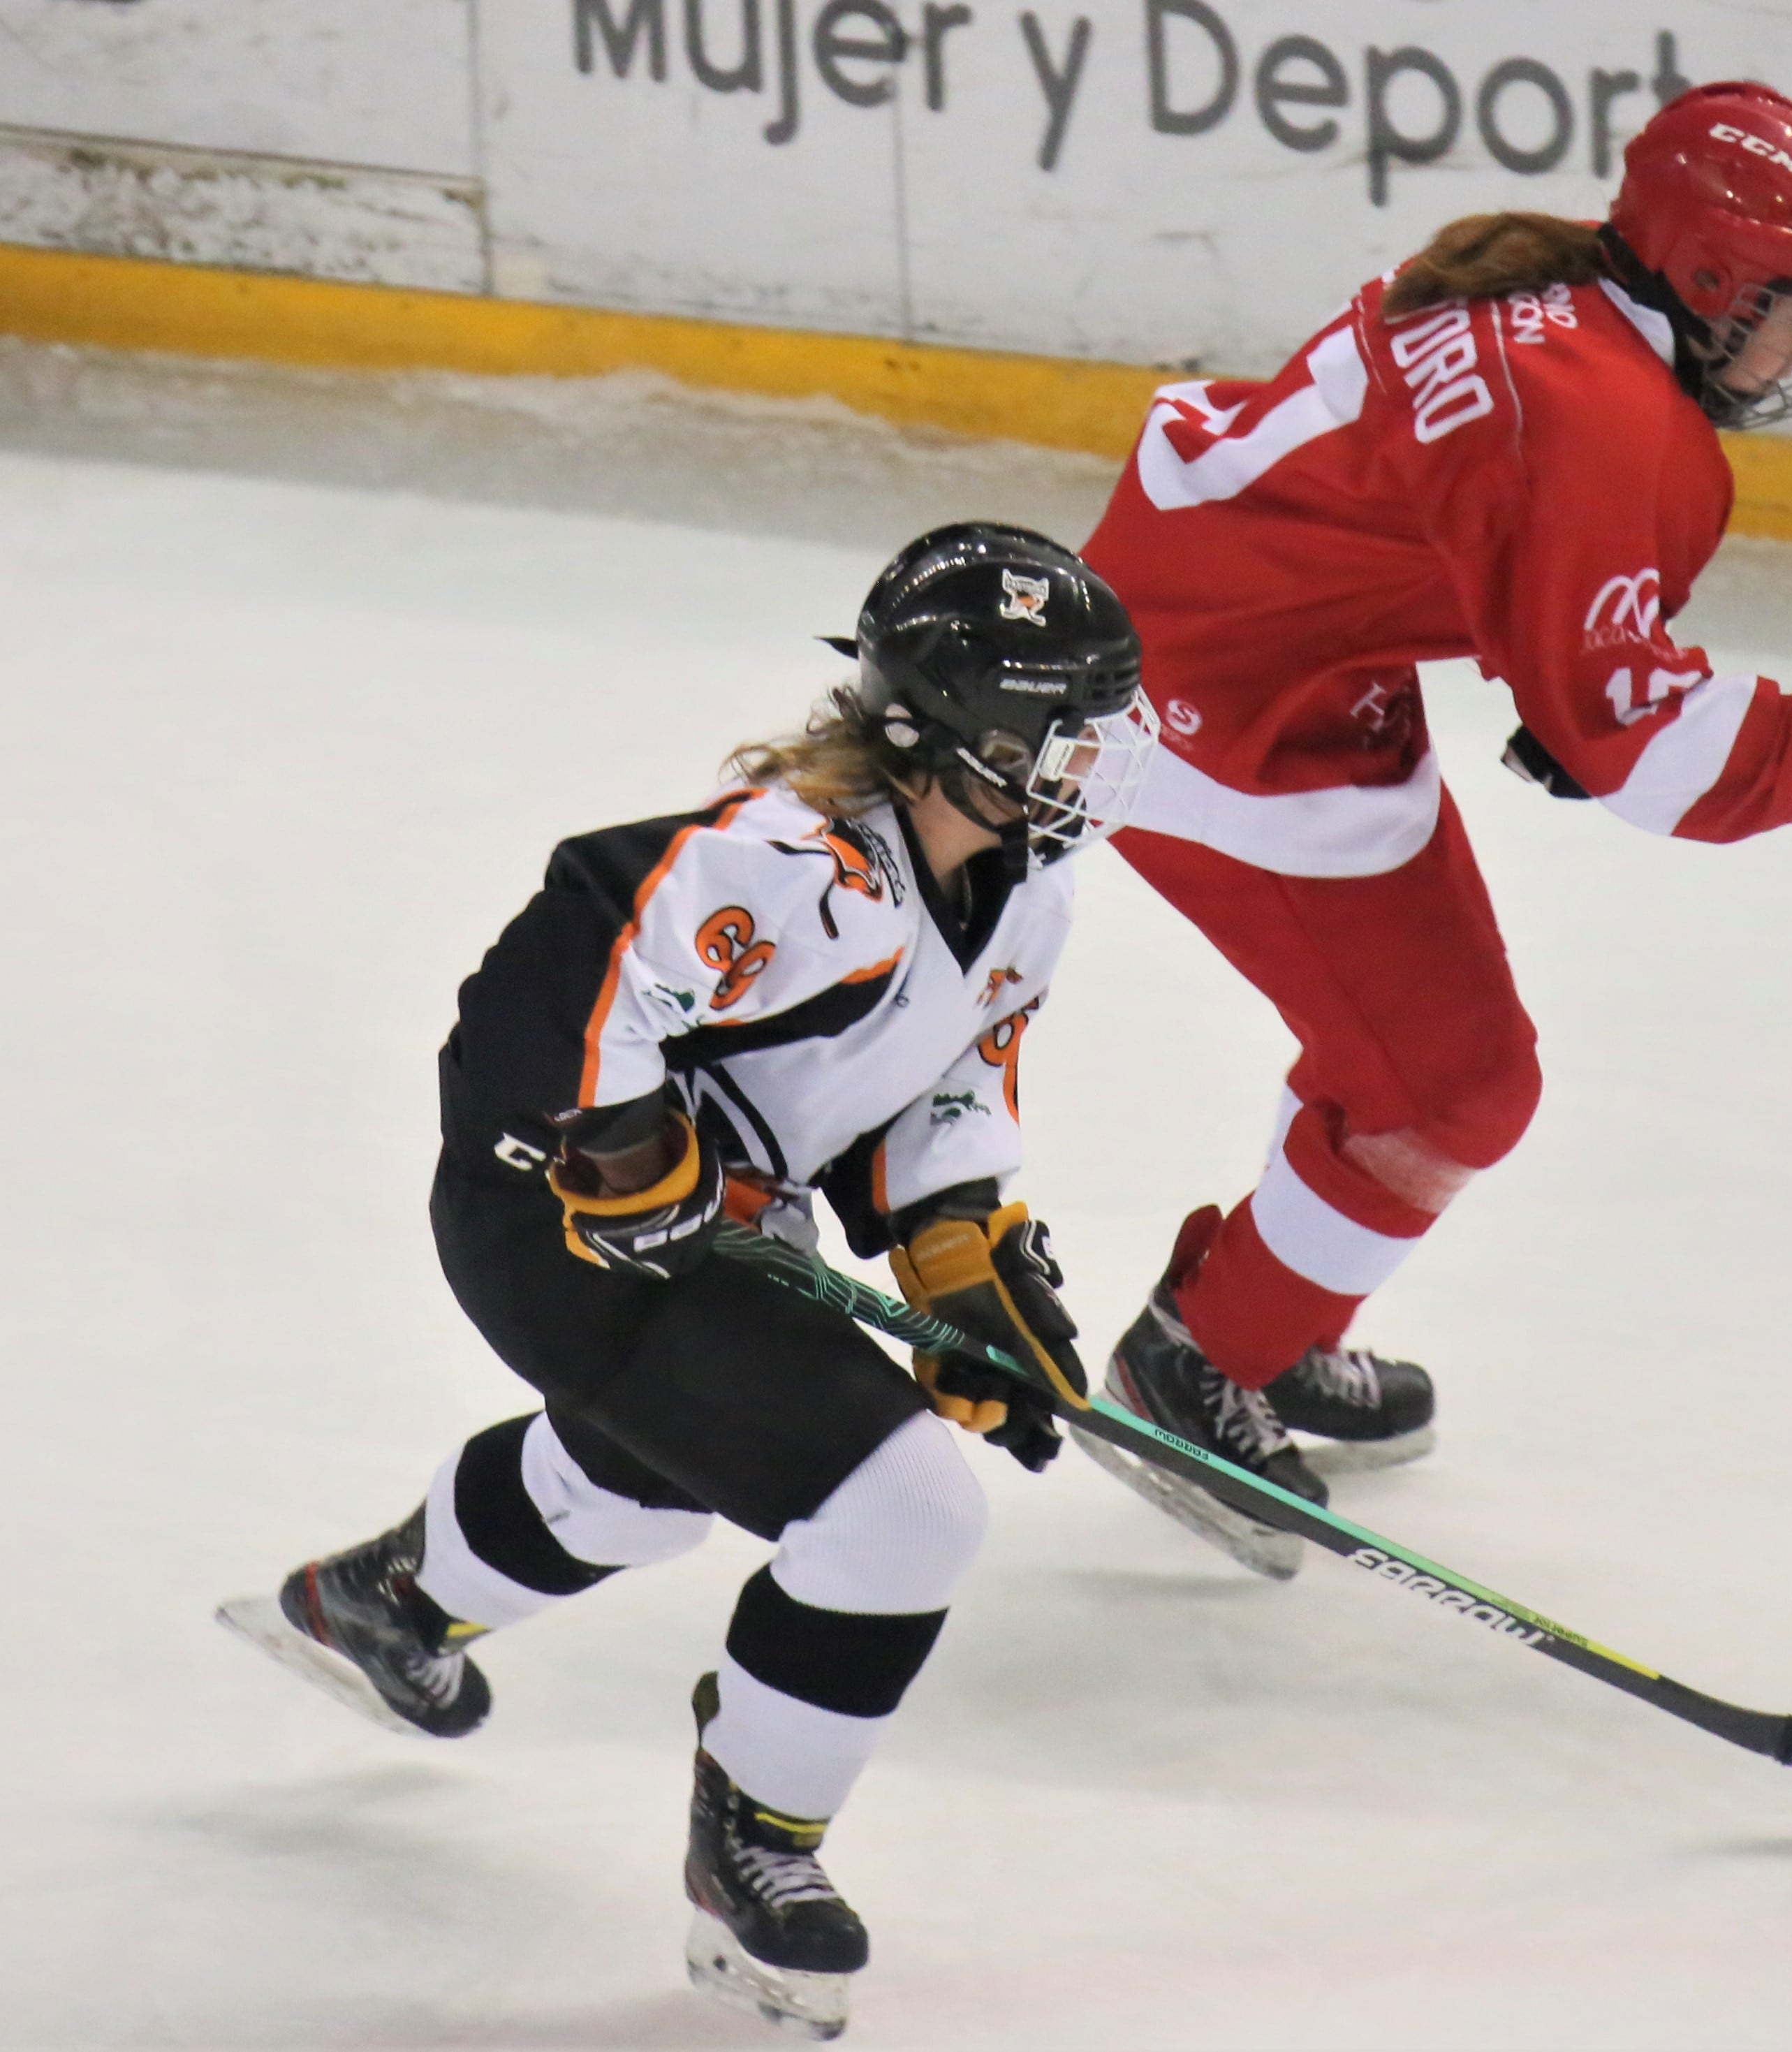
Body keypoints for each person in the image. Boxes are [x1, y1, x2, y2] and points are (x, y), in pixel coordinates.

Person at [1074, 81, 1792, 1568]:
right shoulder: (1598, 412)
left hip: (1246, 645)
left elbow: (1458, 535)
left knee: (1401, 1060)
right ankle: (1194, 1360)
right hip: (1220, 717)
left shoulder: (1543, 291)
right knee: (1452, 1083)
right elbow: (1640, 748)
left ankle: (1270, 1322)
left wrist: (1550, 662)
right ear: (1712, 280)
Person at [217, 525, 1159, 2041]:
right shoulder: (796, 864)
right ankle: (758, 1846)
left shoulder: (1020, 892)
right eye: (1065, 724)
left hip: (729, 1224)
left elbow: (932, 1097)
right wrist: (616, 1143)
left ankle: (387, 1597)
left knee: (654, 1484)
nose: (1093, 759)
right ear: (952, 725)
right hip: (559, 1223)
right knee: (902, 1508)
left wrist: (960, 1265)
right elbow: (570, 948)